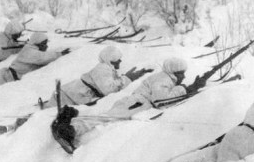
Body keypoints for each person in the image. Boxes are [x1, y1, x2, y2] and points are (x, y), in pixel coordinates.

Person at [51, 57, 188, 153]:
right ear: (173, 72)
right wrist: (184, 89)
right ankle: (70, 130)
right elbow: (160, 100)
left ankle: (68, 121)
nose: (184, 77)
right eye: (181, 73)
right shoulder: (163, 79)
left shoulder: (163, 77)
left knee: (105, 116)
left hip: (134, 102)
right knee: (106, 118)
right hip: (137, 103)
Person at [57, 45, 140, 106]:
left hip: (72, 94)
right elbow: (108, 90)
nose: (120, 61)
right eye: (117, 59)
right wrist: (127, 78)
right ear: (110, 60)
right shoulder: (102, 68)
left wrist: (125, 77)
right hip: (68, 96)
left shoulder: (106, 68)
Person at [0, 31, 68, 85]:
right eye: (44, 44)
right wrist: (60, 54)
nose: (46, 46)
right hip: (5, 78)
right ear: (37, 43)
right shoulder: (30, 51)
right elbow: (43, 58)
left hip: (8, 77)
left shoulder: (31, 48)